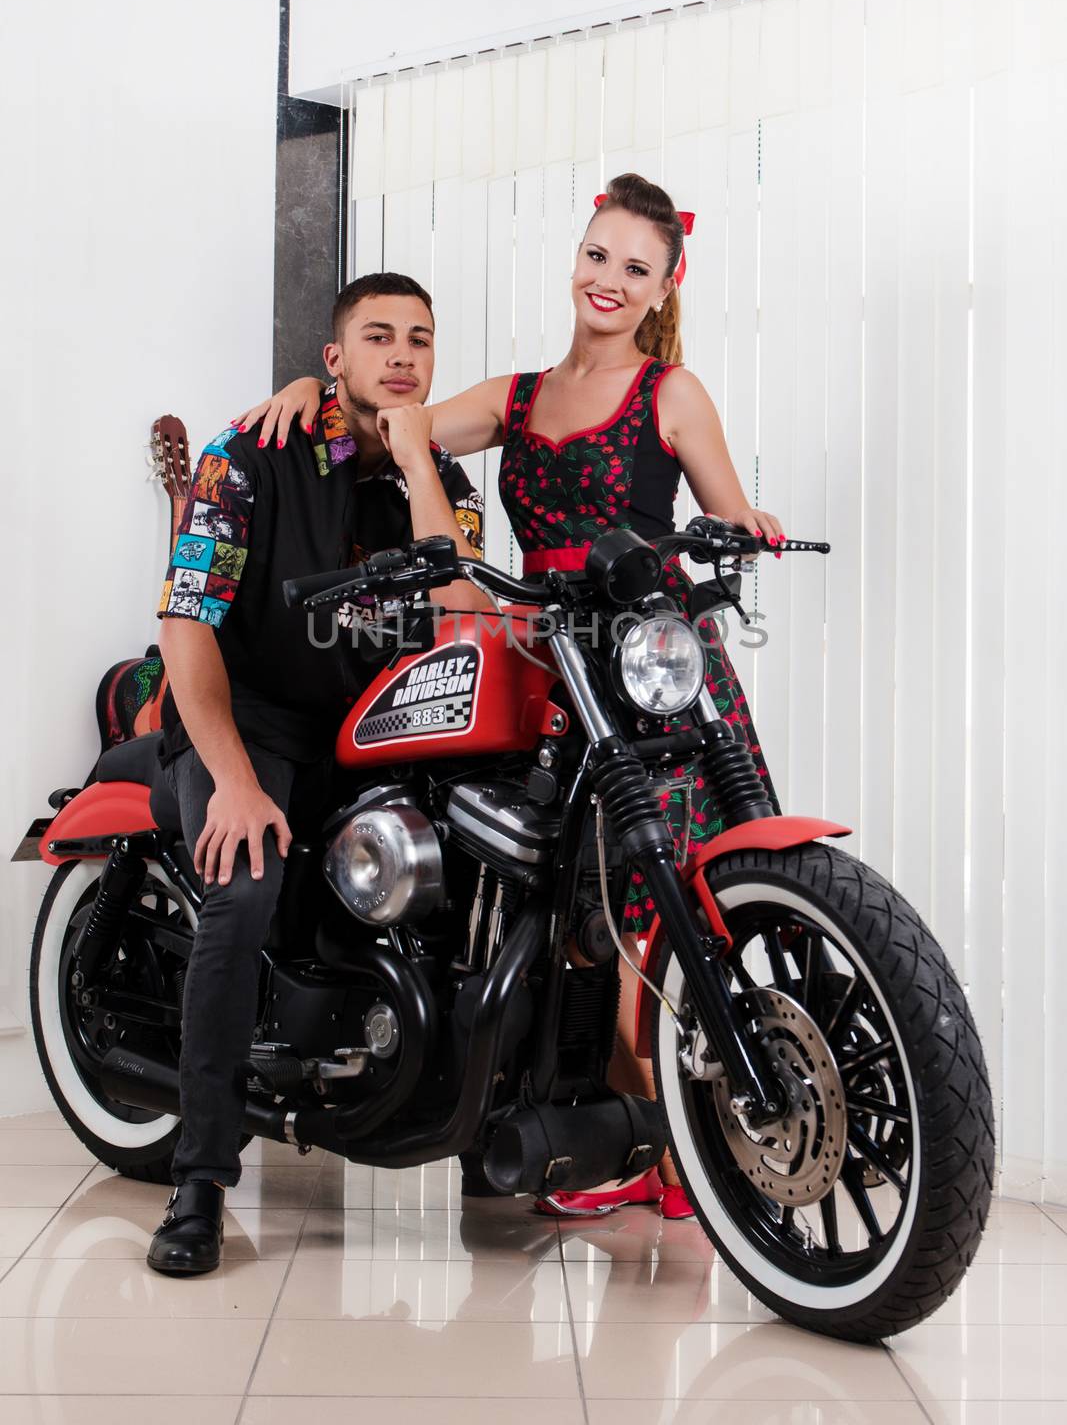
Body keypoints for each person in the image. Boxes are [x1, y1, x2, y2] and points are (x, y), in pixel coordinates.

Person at [237, 173, 786, 1222]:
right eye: (596, 256)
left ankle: (684, 1146)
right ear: (573, 260)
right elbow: (390, 423)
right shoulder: (516, 396)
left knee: (681, 898)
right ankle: (602, 1123)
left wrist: (751, 524)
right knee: (581, 912)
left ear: (665, 285)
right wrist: (311, 393)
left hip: (646, 668)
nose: (608, 280)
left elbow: (729, 512)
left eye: (634, 267)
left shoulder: (669, 394)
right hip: (547, 664)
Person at [147, 271, 486, 1276]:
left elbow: (464, 610)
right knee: (243, 885)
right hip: (245, 731)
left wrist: (417, 456)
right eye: (376, 337)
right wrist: (236, 779)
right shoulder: (249, 455)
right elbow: (184, 622)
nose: (400, 356)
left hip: (370, 739)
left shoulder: (436, 481)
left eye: (418, 341)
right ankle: (199, 1177)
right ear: (332, 360)